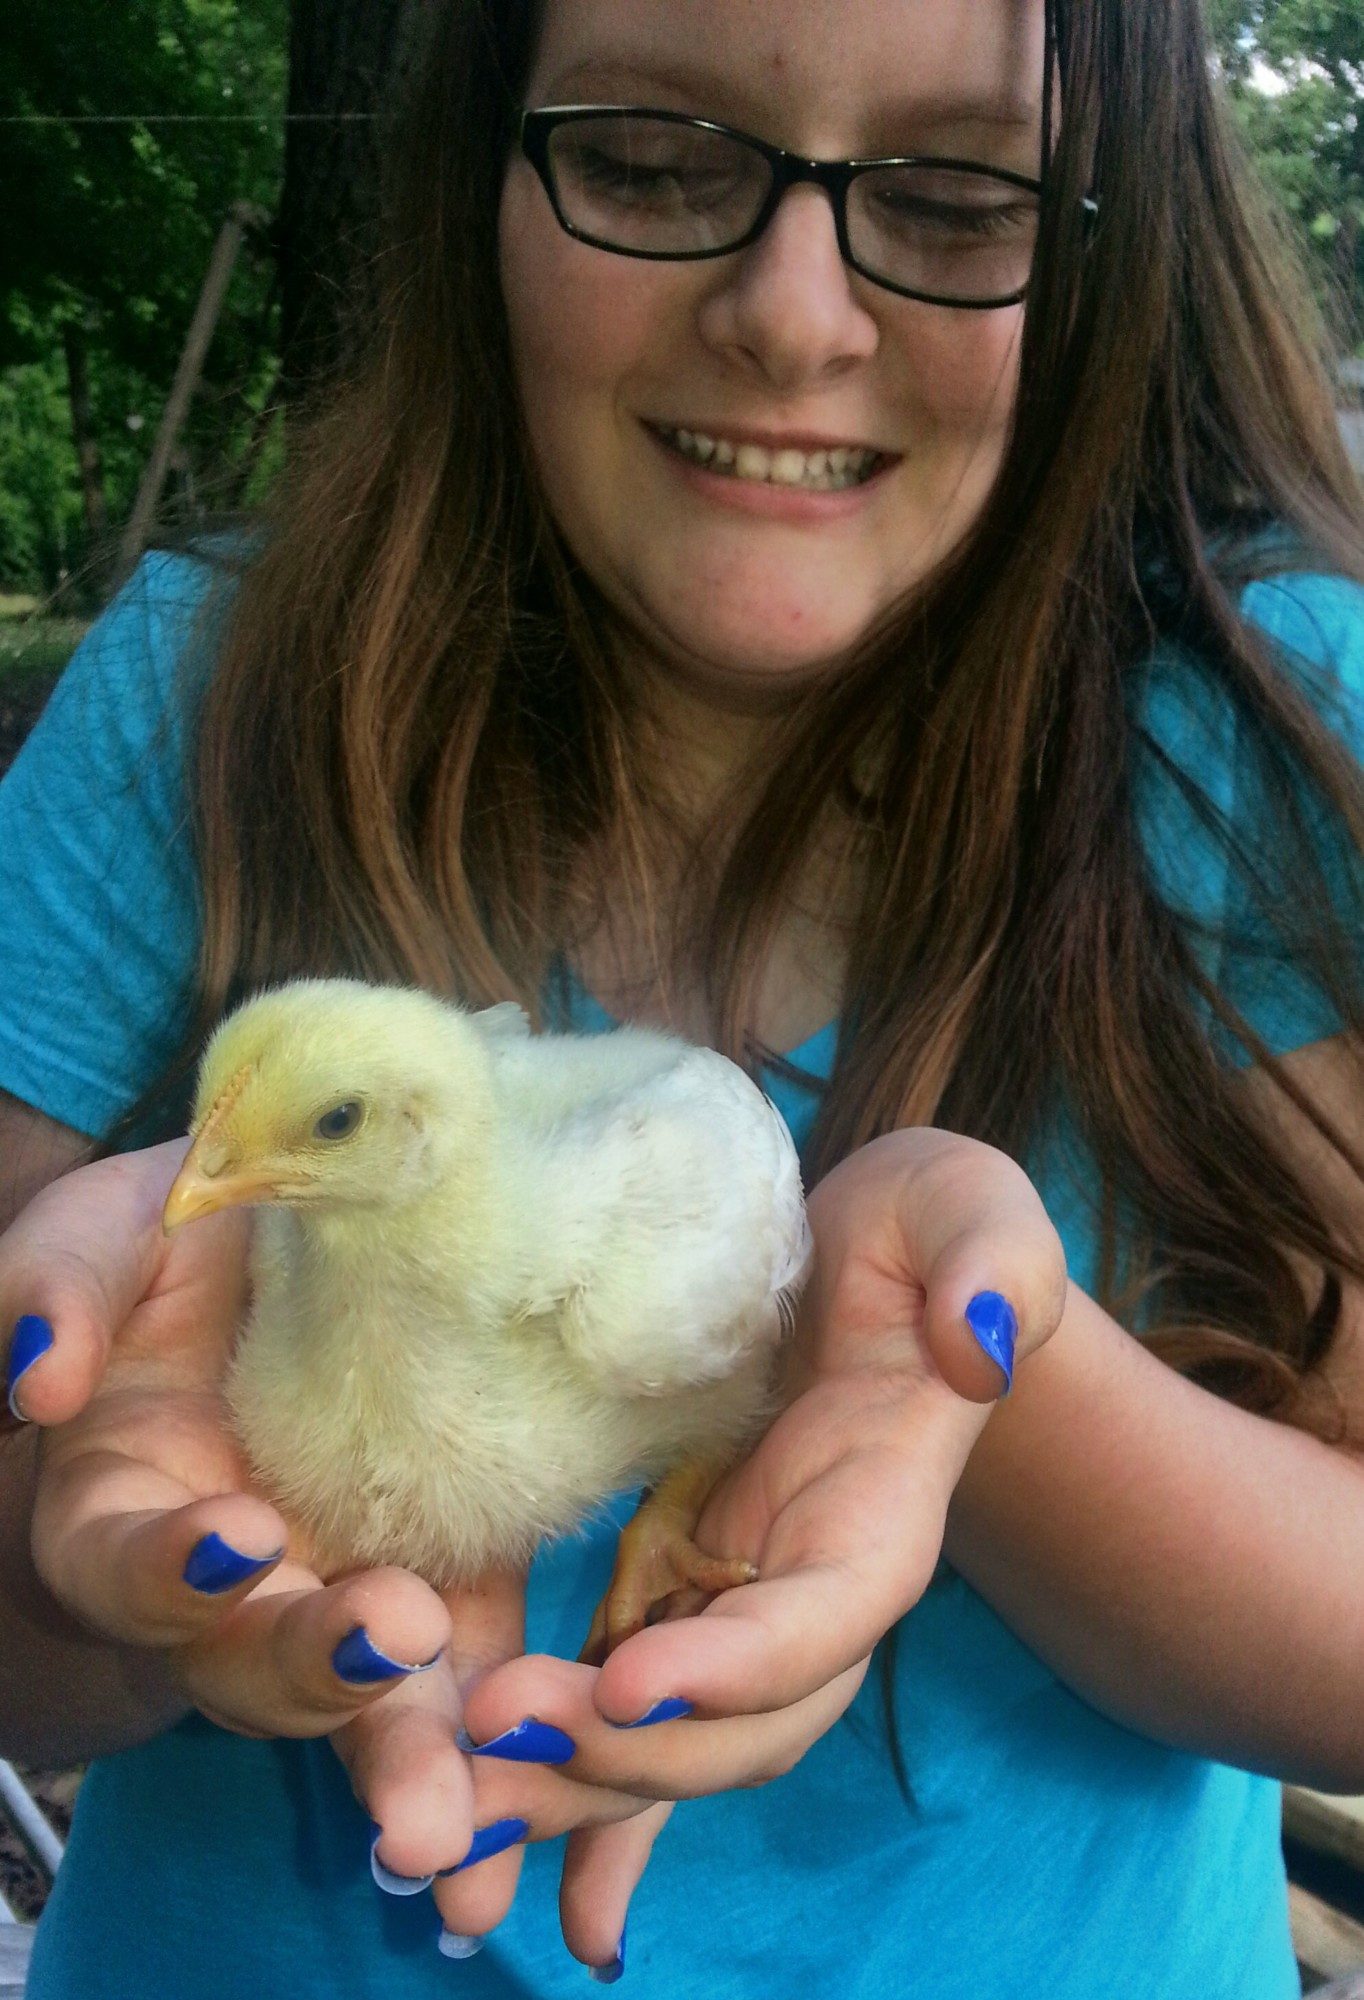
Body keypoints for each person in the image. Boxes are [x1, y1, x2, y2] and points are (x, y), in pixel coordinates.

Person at [2, 0, 1364, 1993]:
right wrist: (135, 1538)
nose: (789, 315)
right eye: (650, 161)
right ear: (480, 172)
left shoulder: (1265, 732)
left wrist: (960, 1362)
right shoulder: (199, 703)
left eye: (955, 192)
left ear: (1109, 238)